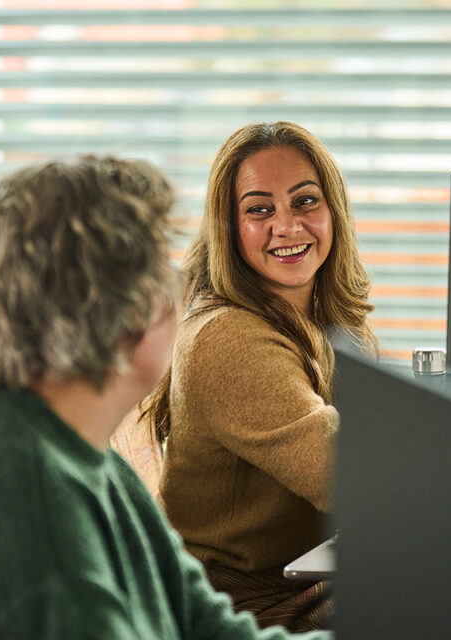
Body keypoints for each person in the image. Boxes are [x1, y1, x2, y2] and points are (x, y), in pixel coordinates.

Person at [0, 154, 327, 640]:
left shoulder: (86, 459)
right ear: (130, 315)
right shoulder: (18, 485)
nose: (178, 290)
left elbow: (206, 628)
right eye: (163, 270)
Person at [124, 122, 377, 631]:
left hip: (297, 584)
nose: (287, 226)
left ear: (333, 210)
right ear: (229, 228)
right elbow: (347, 476)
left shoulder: (319, 320)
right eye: (259, 210)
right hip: (239, 609)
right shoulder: (228, 337)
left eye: (305, 201)